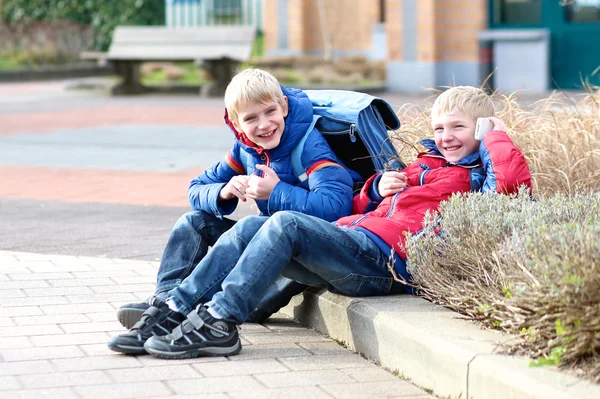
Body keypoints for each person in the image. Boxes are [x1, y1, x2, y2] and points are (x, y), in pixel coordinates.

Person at [116, 85, 533, 359]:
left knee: (285, 222)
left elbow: (512, 187)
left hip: (385, 264)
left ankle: (221, 320)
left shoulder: (479, 176)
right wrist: (374, 191)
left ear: (481, 129)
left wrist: (495, 135)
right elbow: (354, 203)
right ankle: (174, 308)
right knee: (248, 227)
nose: (445, 136)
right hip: (355, 242)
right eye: (439, 128)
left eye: (458, 127)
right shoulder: (425, 166)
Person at [108, 68, 355, 353]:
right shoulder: (246, 150)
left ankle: (186, 309)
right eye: (251, 118)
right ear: (236, 124)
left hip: (286, 263)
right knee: (194, 222)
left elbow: (337, 207)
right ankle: (167, 305)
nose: (263, 125)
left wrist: (277, 192)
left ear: (284, 107)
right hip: (263, 242)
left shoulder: (309, 146)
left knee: (252, 226)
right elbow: (196, 187)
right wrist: (223, 191)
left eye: (270, 112)